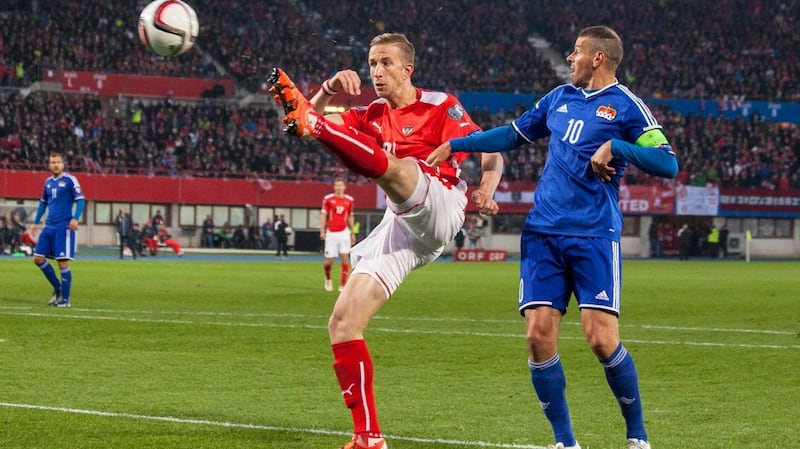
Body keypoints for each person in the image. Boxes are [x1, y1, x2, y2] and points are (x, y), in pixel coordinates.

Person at [427, 26, 677, 449]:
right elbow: (511, 135)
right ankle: (565, 442)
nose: (569, 58)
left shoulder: (628, 107)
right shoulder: (556, 99)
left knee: (600, 338)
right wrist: (457, 143)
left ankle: (637, 436)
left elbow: (667, 164)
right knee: (537, 336)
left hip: (594, 234)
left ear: (598, 58)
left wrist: (618, 147)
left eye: (576, 52)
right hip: (543, 232)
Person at [267, 32, 503, 449]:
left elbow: (491, 150)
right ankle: (368, 437)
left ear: (408, 69)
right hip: (402, 224)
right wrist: (326, 90)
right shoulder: (372, 113)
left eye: (386, 63)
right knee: (343, 322)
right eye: (372, 63)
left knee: (401, 168)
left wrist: (486, 187)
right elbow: (298, 124)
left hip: (442, 204)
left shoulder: (441, 105)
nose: (377, 71)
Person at [31, 152, 86, 307]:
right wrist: (35, 222)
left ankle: (65, 301)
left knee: (62, 263)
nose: (55, 165)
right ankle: (58, 287)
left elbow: (81, 200)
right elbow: (43, 203)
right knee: (38, 258)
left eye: (58, 162)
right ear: (49, 165)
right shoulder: (47, 182)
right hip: (49, 227)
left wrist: (75, 218)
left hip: (64, 227)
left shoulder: (70, 180)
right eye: (52, 162)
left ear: (63, 164)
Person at [321, 178, 356, 292]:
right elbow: (324, 215)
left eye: (341, 185)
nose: (339, 187)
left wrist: (352, 233)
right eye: (337, 185)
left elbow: (350, 216)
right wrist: (322, 230)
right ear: (334, 187)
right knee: (329, 261)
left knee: (345, 258)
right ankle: (328, 278)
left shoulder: (349, 200)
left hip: (344, 233)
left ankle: (343, 284)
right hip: (331, 233)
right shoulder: (328, 199)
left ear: (344, 187)